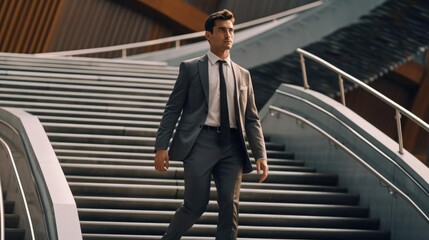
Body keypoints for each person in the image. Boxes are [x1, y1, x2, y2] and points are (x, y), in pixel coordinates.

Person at [154, 9, 269, 240]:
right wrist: (161, 146)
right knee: (195, 205)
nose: (228, 35)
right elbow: (172, 109)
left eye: (231, 31)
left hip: (232, 147)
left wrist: (260, 154)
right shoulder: (190, 68)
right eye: (222, 30)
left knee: (230, 205)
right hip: (199, 143)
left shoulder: (243, 75)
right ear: (208, 35)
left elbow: (251, 118)